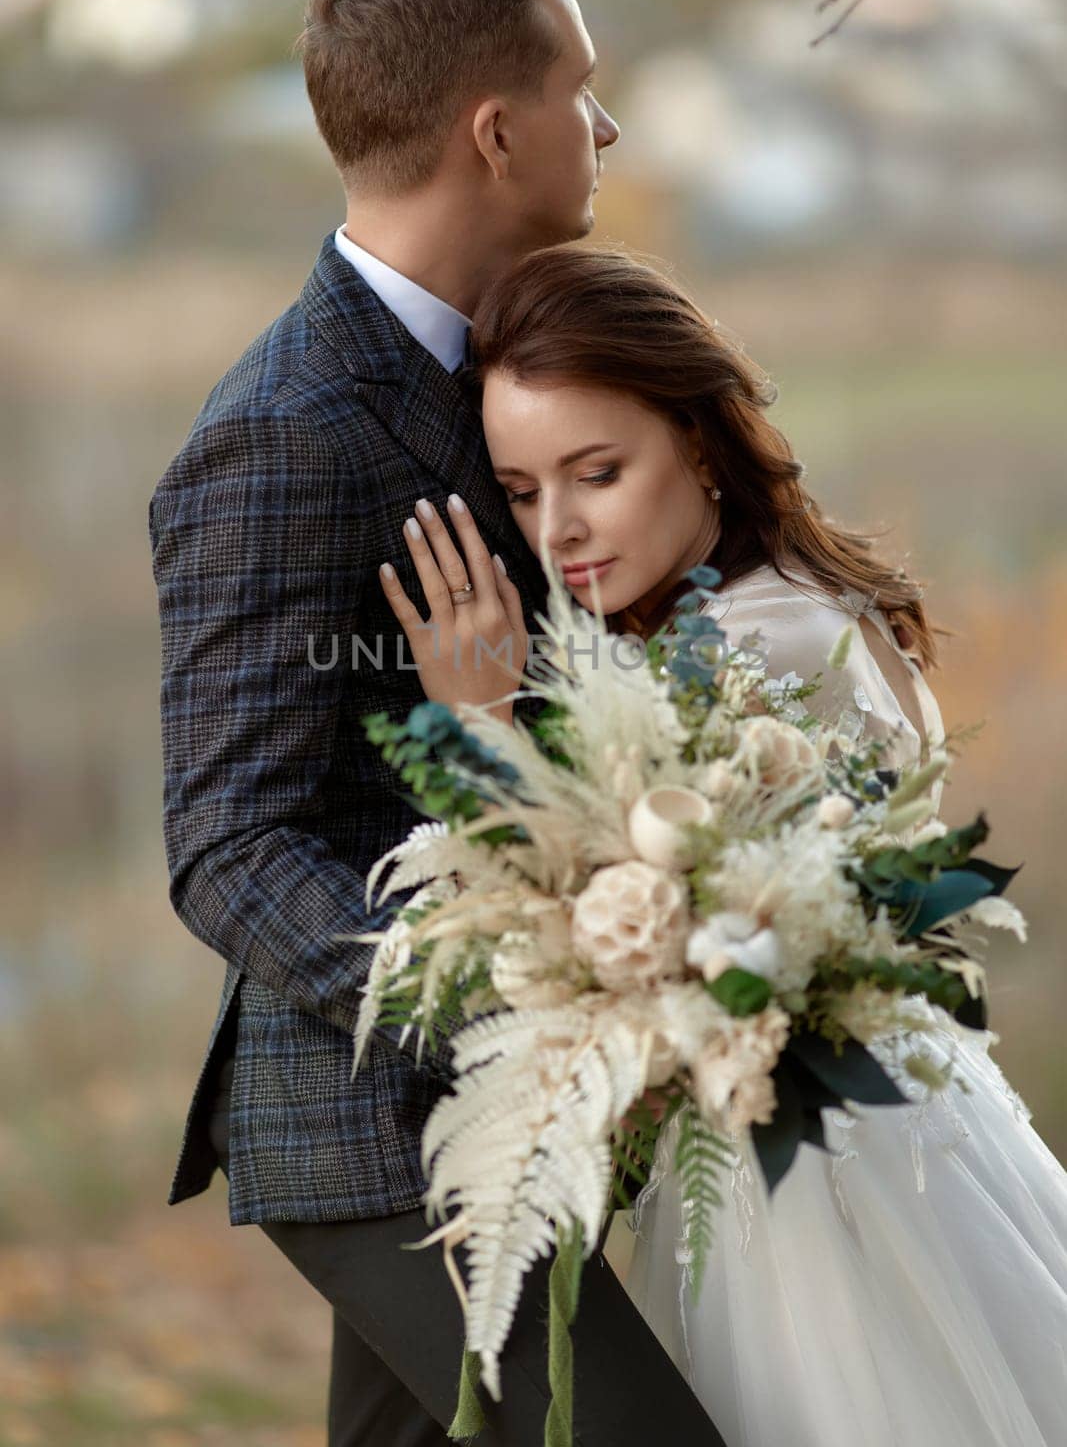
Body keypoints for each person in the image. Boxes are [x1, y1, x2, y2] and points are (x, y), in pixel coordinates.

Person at [150, 0, 733, 1447]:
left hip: (514, 1112)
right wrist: (504, 996)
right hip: (377, 1132)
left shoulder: (510, 362)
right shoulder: (284, 429)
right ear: (493, 129)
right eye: (579, 88)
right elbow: (226, 842)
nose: (602, 125)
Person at [380, 242, 1067, 1447]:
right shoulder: (772, 603)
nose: (559, 530)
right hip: (840, 1149)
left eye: (596, 471)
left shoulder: (767, 649)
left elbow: (631, 941)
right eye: (524, 491)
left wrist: (482, 727)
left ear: (698, 441)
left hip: (820, 1199)